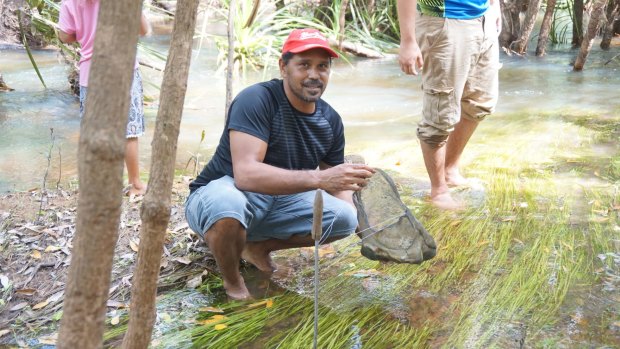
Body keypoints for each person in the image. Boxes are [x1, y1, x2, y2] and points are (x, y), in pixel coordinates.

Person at [185, 28, 375, 300]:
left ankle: (256, 247)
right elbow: (246, 175)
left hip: (279, 200)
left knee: (344, 218)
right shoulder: (258, 99)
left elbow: (339, 187)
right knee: (228, 206)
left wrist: (364, 230)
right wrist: (321, 179)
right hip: (223, 195)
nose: (314, 74)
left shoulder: (330, 120)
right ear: (283, 67)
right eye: (304, 65)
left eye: (322, 66)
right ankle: (234, 284)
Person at [396, 0, 501, 210]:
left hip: (483, 18)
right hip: (444, 20)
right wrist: (408, 40)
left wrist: (494, 5)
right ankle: (438, 190)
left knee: (480, 103)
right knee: (440, 115)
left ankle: (450, 170)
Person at [58, 0, 150, 196]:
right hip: (123, 69)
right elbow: (143, 29)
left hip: (91, 72)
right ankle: (135, 183)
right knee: (129, 131)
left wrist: (84, 34)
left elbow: (64, 35)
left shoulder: (70, 2)